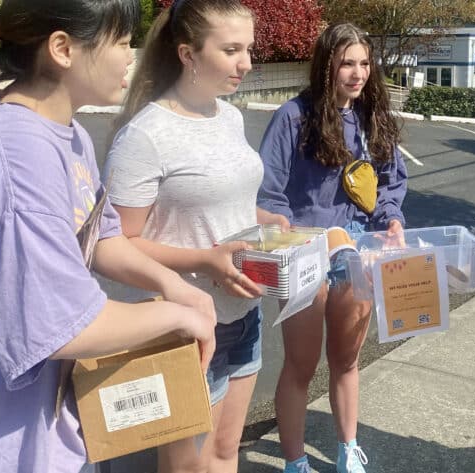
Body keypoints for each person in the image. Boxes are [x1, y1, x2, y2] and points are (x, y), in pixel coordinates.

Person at [0, 1, 218, 472]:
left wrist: (174, 285)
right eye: (120, 41)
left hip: (42, 427)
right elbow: (63, 326)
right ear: (62, 48)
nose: (130, 55)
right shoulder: (16, 158)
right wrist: (175, 316)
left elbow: (101, 237)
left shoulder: (68, 133)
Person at [105, 1, 270, 472]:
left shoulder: (230, 117)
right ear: (188, 54)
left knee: (224, 454)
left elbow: (217, 202)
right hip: (183, 326)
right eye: (232, 49)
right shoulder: (145, 136)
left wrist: (268, 220)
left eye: (249, 49)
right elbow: (117, 242)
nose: (247, 63)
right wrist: (205, 258)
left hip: (243, 312)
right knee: (186, 468)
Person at [257, 23, 407, 473]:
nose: (357, 73)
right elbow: (268, 192)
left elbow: (389, 185)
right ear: (326, 65)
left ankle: (347, 450)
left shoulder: (371, 118)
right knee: (300, 366)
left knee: (346, 361)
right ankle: (295, 461)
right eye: (347, 63)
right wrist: (289, 230)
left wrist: (393, 219)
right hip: (303, 257)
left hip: (355, 253)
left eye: (364, 63)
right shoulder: (293, 116)